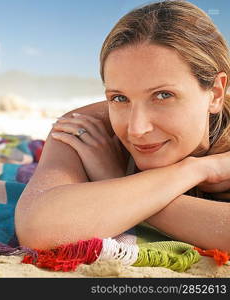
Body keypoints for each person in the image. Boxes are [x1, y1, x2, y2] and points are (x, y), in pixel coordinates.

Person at [14, 0, 230, 251]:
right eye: (119, 98)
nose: (136, 128)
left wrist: (114, 186)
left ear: (215, 93)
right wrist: (195, 170)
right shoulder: (87, 130)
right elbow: (38, 228)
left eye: (163, 95)